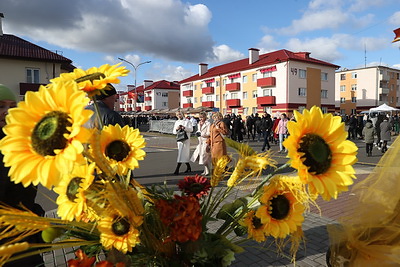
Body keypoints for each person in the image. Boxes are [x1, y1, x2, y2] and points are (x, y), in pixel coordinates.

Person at [0, 84, 45, 266]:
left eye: (12, 107)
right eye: (0, 106)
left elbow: (27, 193)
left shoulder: (21, 144)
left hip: (27, 236)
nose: (6, 112)